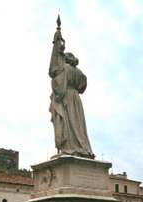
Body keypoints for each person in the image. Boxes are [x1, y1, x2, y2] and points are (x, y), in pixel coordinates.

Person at [49, 16, 94, 159]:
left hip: (67, 97)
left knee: (69, 124)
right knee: (79, 126)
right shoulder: (80, 73)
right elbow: (83, 86)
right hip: (77, 99)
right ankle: (82, 147)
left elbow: (57, 86)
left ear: (66, 59)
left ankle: (71, 147)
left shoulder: (65, 70)